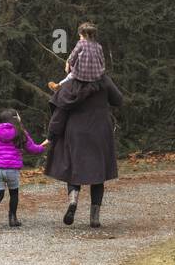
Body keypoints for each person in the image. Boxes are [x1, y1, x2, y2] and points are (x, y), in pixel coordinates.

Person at [44, 72, 124, 228]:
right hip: (99, 130)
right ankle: (94, 217)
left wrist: (51, 135)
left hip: (75, 132)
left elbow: (59, 114)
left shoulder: (69, 85)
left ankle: (73, 201)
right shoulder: (103, 80)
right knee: (98, 174)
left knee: (74, 169)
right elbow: (118, 100)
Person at [0, 109, 47, 229]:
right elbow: (32, 148)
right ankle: (13, 219)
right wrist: (43, 146)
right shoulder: (21, 132)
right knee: (14, 194)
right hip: (12, 169)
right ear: (15, 119)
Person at [48, 21, 106, 92]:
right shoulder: (98, 46)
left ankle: (58, 86)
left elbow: (72, 57)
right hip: (96, 77)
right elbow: (102, 61)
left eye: (80, 36)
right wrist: (101, 72)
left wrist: (69, 65)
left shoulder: (81, 43)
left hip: (80, 75)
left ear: (86, 35)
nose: (80, 38)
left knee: (70, 76)